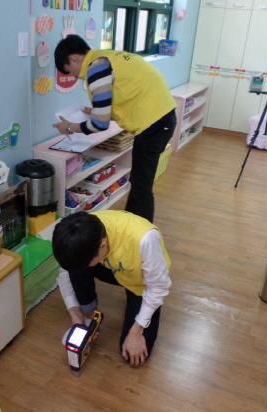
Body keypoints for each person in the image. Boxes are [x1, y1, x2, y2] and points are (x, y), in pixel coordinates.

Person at [53, 35, 177, 223]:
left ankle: (141, 235)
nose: (74, 76)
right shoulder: (106, 57)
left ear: (73, 58)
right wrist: (98, 111)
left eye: (70, 71)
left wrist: (69, 127)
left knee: (142, 187)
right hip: (161, 118)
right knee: (138, 182)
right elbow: (126, 94)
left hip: (153, 123)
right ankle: (130, 225)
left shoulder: (95, 68)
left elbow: (99, 124)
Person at [52, 210, 171, 367]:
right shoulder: (80, 231)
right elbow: (66, 272)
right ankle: (90, 316)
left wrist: (136, 331)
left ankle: (133, 303)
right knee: (77, 268)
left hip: (141, 283)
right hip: (115, 269)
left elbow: (158, 287)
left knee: (132, 354)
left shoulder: (145, 239)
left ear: (103, 246)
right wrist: (75, 314)